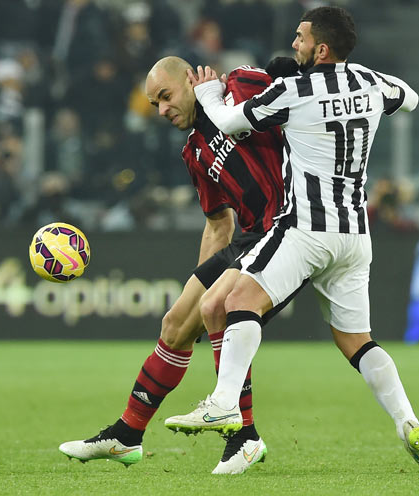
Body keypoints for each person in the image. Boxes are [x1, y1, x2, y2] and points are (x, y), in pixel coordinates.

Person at [165, 6, 419, 473]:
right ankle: (407, 421)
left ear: (320, 48)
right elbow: (411, 97)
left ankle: (223, 402)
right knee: (358, 341)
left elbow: (231, 121)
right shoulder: (369, 82)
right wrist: (366, 88)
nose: (292, 45)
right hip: (355, 236)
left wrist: (208, 90)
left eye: (300, 38)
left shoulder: (295, 91)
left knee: (237, 300)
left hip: (306, 228)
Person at [58, 55, 298, 475]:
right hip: (245, 237)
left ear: (191, 81)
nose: (163, 110)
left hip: (290, 229)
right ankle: (126, 436)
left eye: (166, 97)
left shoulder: (238, 88)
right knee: (176, 323)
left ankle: (245, 437)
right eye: (154, 105)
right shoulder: (194, 152)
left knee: (219, 308)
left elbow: (299, 95)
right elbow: (217, 224)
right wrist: (203, 281)